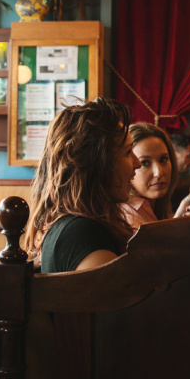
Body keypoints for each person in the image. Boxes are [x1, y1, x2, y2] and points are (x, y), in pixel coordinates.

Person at [22, 98, 141, 273]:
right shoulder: (82, 234)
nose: (137, 163)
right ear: (96, 163)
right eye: (127, 152)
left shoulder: (75, 226)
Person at [125, 123, 190, 230]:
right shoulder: (126, 215)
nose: (159, 173)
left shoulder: (158, 208)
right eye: (145, 163)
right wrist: (178, 224)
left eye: (163, 160)